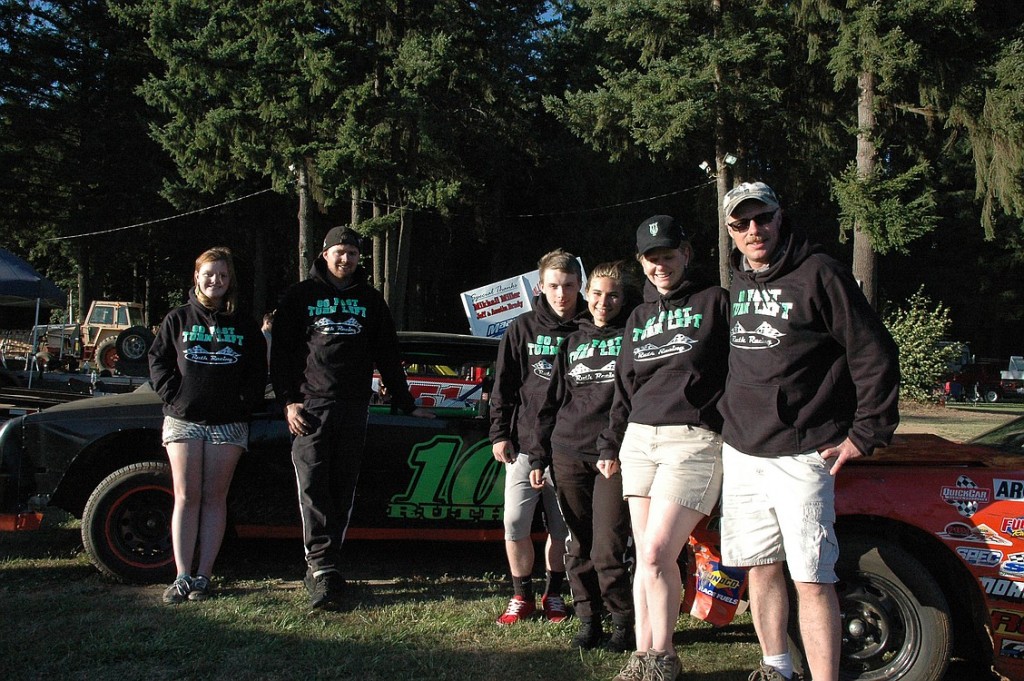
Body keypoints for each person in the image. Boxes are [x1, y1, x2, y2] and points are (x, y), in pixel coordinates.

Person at [718, 182, 900, 681]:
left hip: (802, 453)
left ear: (780, 218)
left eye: (763, 218)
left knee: (813, 578)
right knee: (759, 566)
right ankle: (776, 667)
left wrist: (866, 431)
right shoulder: (737, 280)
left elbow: (874, 352)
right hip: (743, 450)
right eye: (741, 223)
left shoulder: (821, 272)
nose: (754, 230)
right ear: (730, 232)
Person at [270, 225, 433, 612]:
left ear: (360, 258)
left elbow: (388, 355)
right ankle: (320, 568)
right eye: (339, 252)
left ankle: (328, 565)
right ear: (324, 254)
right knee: (312, 486)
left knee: (342, 488)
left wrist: (406, 401)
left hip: (355, 408)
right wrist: (289, 402)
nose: (345, 259)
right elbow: (281, 355)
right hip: (310, 408)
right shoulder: (300, 296)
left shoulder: (371, 301)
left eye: (353, 254)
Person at [598, 216, 730, 681]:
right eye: (651, 259)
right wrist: (611, 441)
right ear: (641, 262)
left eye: (668, 256)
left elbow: (743, 370)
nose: (660, 266)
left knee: (656, 552)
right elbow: (625, 385)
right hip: (639, 439)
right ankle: (643, 657)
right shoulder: (637, 316)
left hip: (692, 442)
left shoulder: (715, 302)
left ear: (686, 254)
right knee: (646, 556)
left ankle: (665, 656)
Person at [149, 247, 267, 604]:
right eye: (209, 274)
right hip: (183, 421)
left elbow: (257, 372)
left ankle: (204, 576)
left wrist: (243, 403)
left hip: (228, 425)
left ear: (230, 281)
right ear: (196, 277)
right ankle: (182, 576)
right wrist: (175, 396)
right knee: (186, 496)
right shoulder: (177, 319)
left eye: (222, 275)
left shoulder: (245, 325)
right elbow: (158, 362)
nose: (215, 281)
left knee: (215, 498)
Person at [531, 260, 638, 651]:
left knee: (608, 547)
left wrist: (614, 443)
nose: (603, 302)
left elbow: (630, 400)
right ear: (586, 295)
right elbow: (551, 400)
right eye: (596, 293)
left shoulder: (632, 336)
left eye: (612, 295)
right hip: (567, 452)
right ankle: (589, 619)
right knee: (578, 544)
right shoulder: (571, 340)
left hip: (613, 456)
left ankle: (624, 623)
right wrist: (539, 456)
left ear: (623, 299)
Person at [489, 248, 581, 625]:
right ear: (540, 287)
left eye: (570, 286)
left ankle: (554, 595)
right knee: (515, 523)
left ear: (580, 286)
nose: (562, 294)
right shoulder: (521, 328)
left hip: (570, 447)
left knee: (561, 529)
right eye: (554, 286)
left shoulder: (590, 328)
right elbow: (503, 386)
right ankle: (521, 595)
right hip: (524, 446)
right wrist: (499, 433)